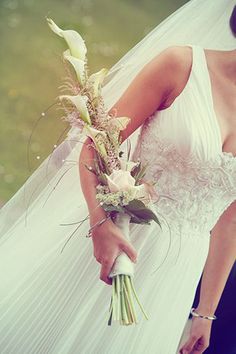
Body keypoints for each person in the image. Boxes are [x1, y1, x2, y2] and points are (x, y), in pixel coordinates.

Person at [0, 1, 235, 353]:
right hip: (115, 240)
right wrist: (99, 224)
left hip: (174, 276)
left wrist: (206, 312)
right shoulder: (181, 65)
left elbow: (230, 219)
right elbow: (96, 145)